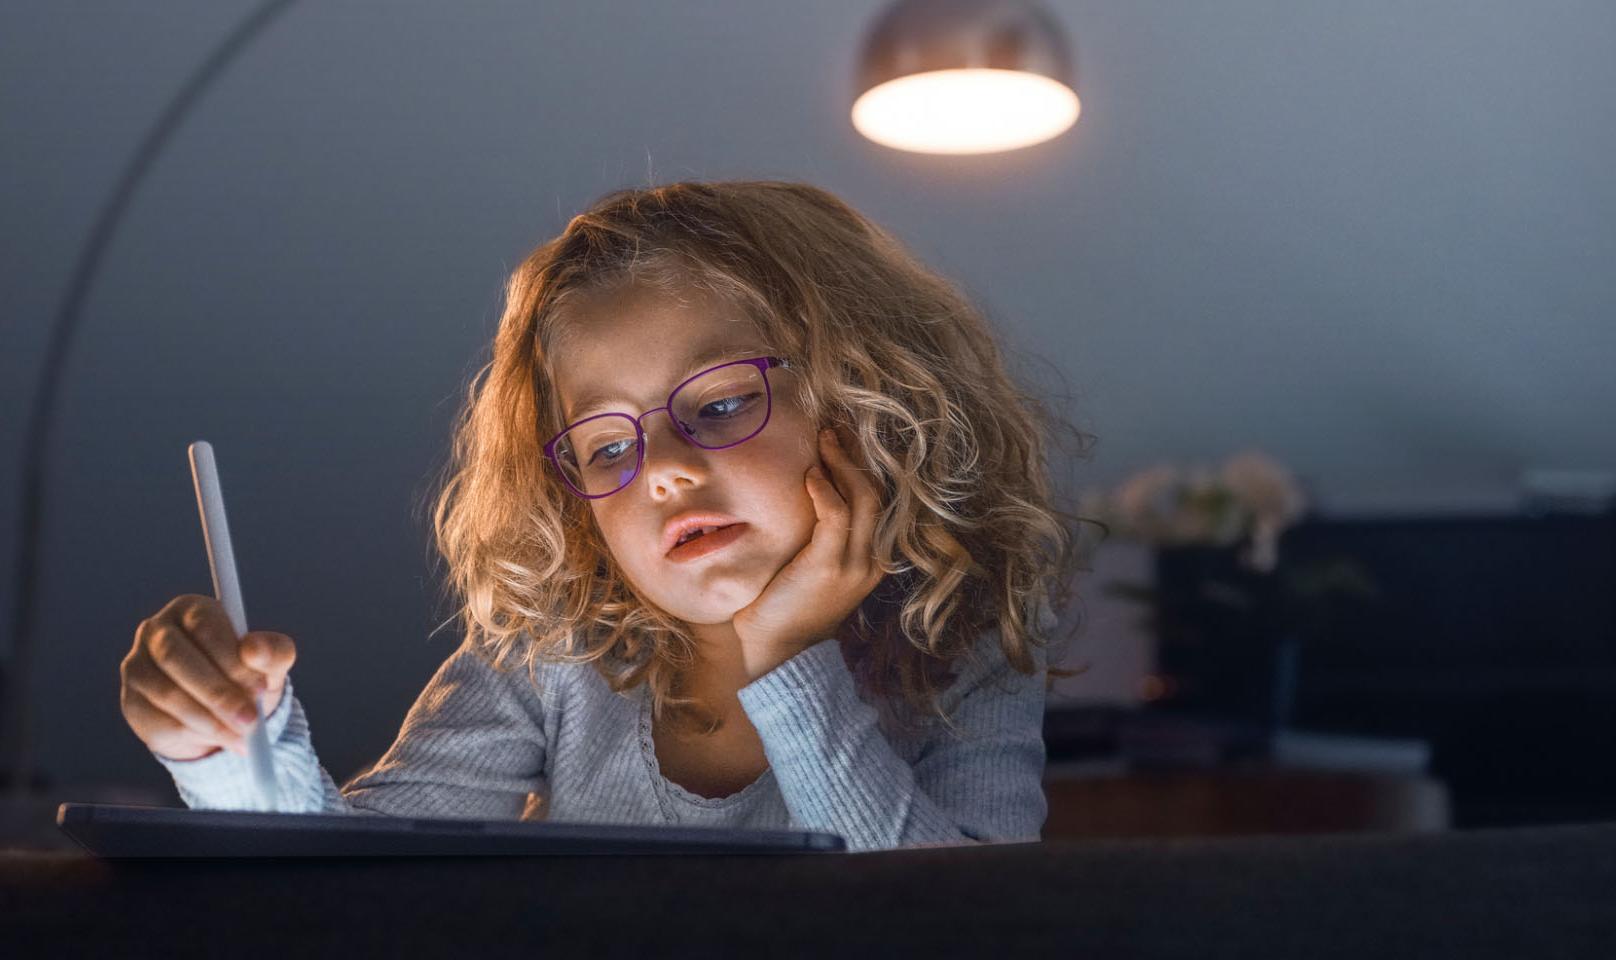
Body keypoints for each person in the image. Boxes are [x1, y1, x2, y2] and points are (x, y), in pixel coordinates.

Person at [118, 180, 1089, 852]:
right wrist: (221, 743)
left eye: (714, 406)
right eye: (608, 449)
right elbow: (352, 879)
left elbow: (959, 918)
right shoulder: (557, 654)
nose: (661, 472)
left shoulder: (966, 653)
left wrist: (787, 658)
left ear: (877, 406)